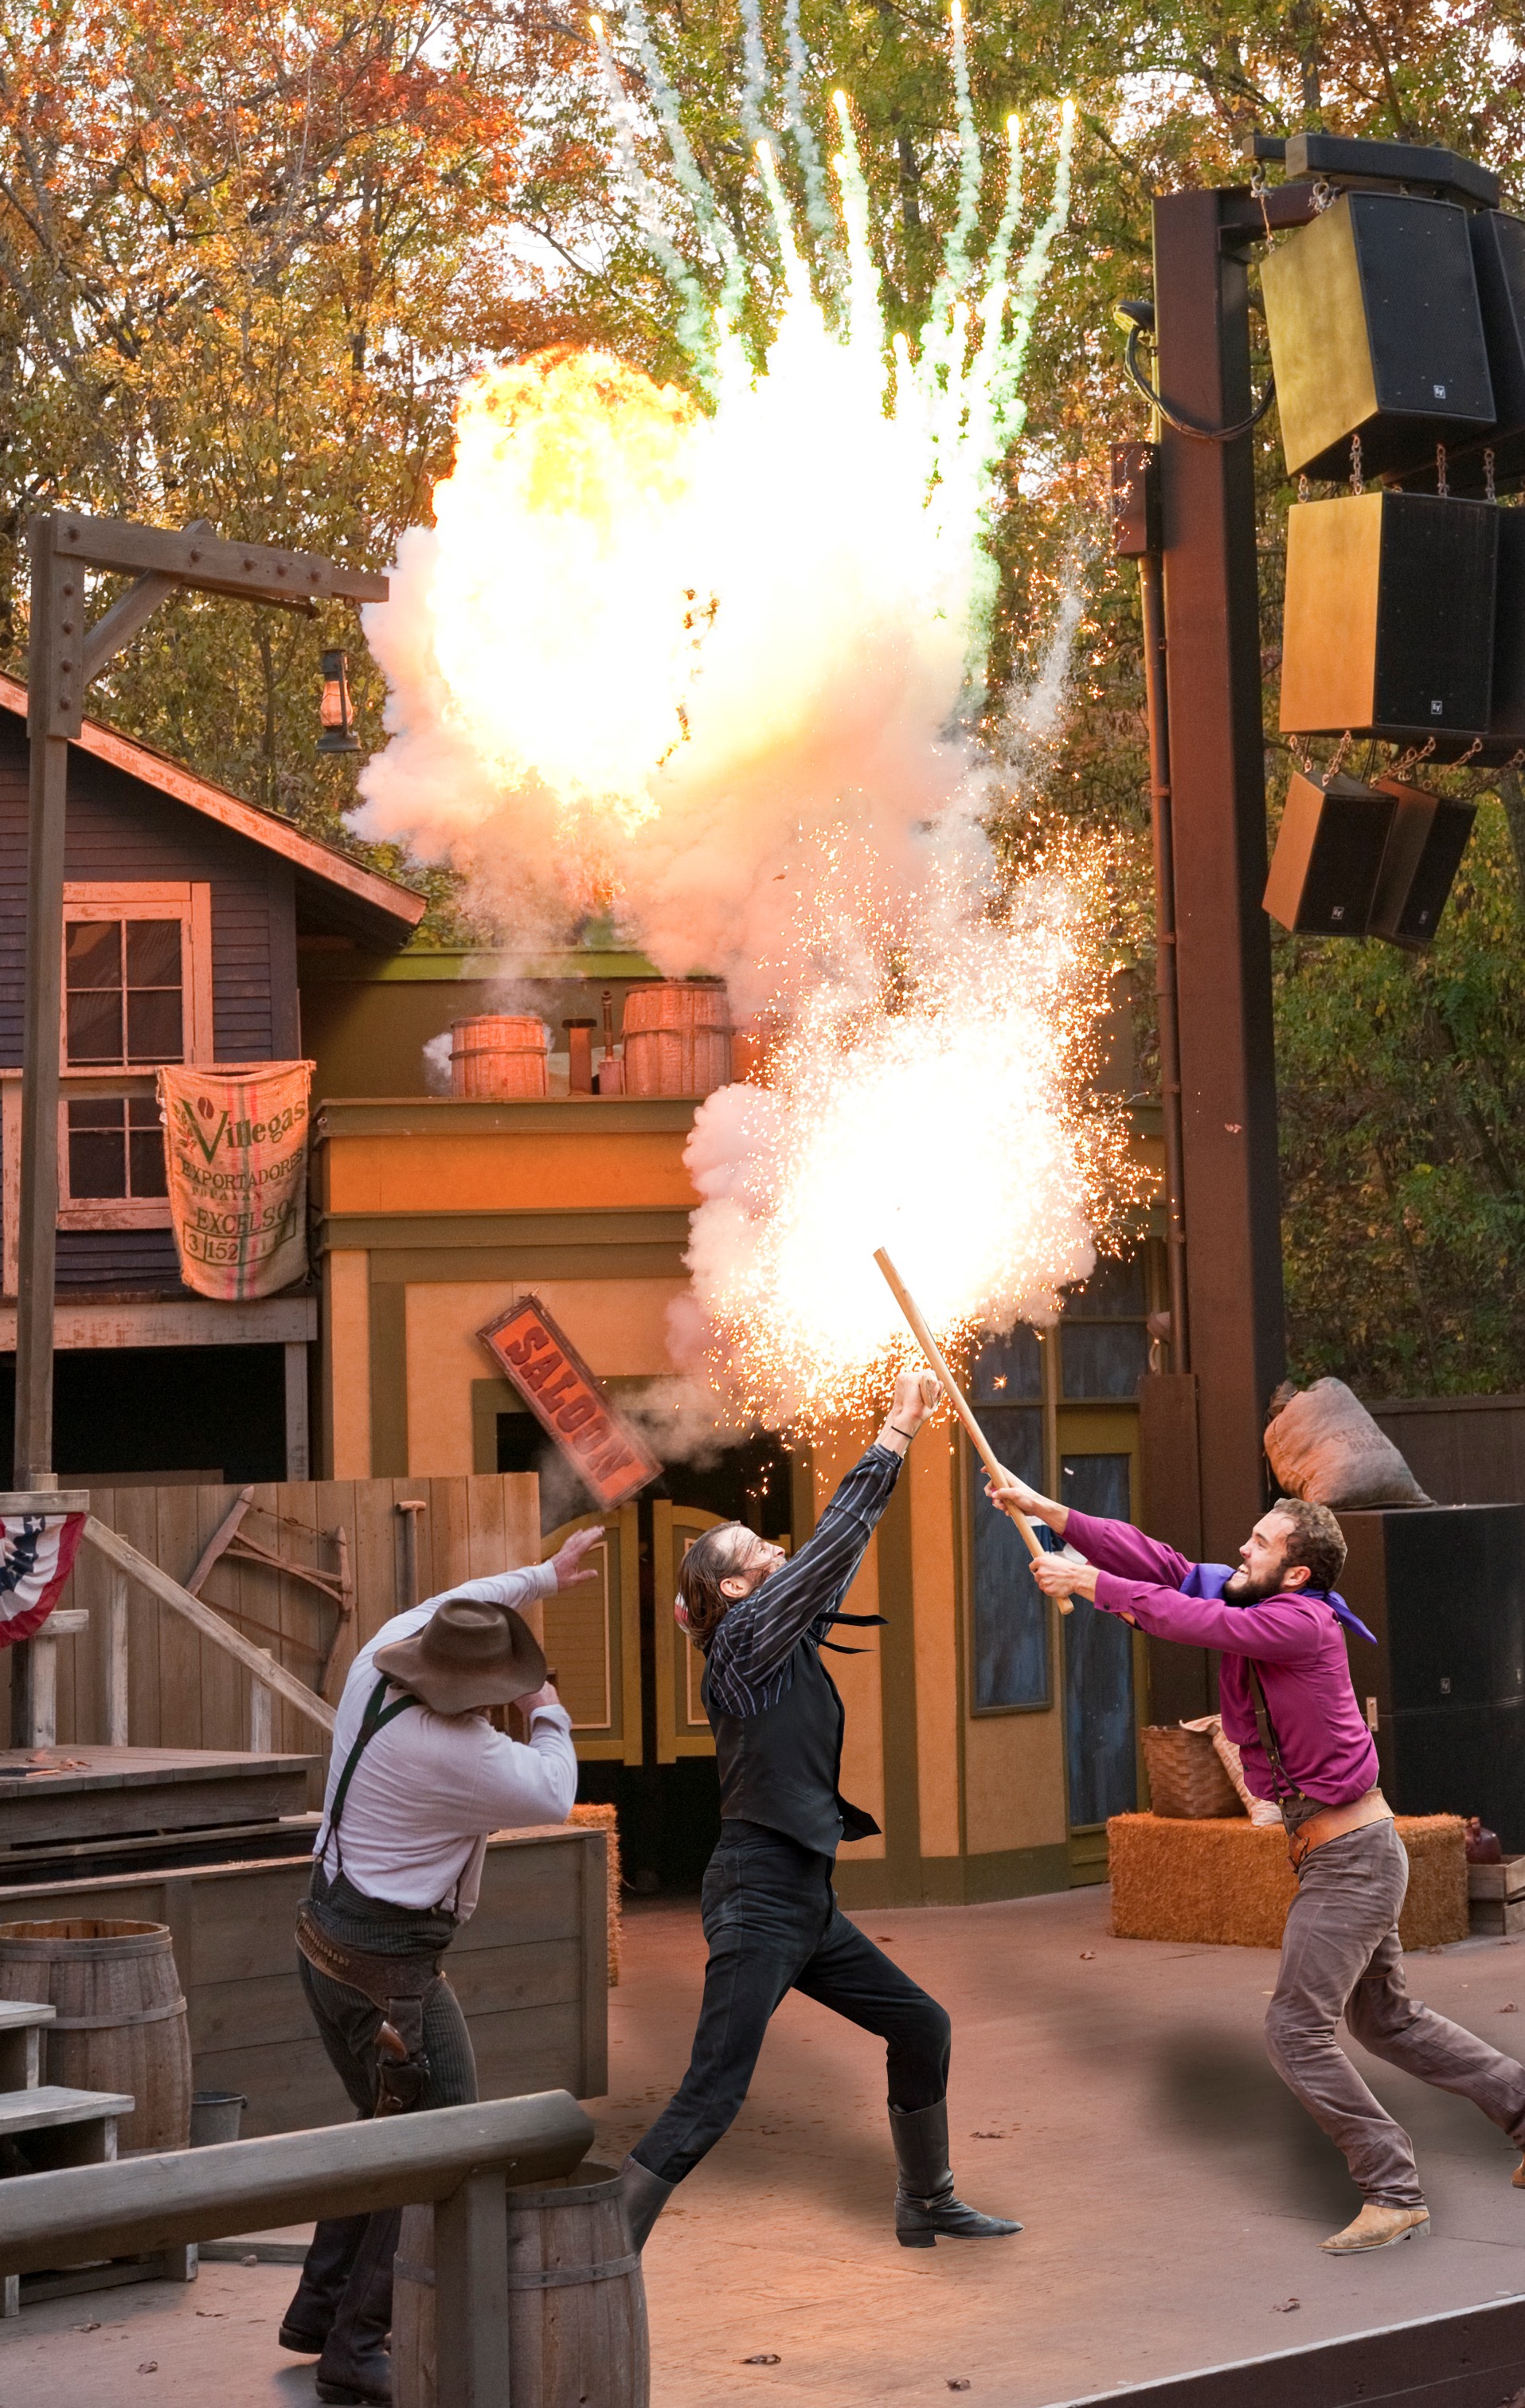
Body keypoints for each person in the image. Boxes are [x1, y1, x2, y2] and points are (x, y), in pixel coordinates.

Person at [992, 1470, 1525, 2255]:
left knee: (1292, 2028)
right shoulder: (1254, 1594)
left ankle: (1391, 2186)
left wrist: (1088, 1582)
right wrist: (1051, 1511)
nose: (1242, 1547)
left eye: (1260, 1541)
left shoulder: (1300, 1623)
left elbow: (1184, 1615)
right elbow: (1163, 1565)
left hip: (1351, 1858)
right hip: (1340, 1852)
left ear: (1297, 1569)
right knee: (1383, 2017)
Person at [619, 1372, 1020, 2254]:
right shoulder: (742, 1641)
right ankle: (598, 2241)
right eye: (757, 1549)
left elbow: (825, 1566)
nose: (775, 1551)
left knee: (921, 2022)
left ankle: (925, 2198)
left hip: (801, 1897)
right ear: (730, 1592)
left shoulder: (773, 1634)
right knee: (714, 2088)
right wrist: (893, 1432)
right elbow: (835, 1546)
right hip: (757, 1894)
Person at [280, 1529, 600, 2404]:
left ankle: (317, 2312)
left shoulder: (379, 1659)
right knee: (442, 2134)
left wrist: (544, 1575)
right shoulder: (455, 1750)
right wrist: (546, 1703)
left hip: (325, 1936)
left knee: (378, 2126)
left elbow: (464, 1593)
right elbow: (552, 1790)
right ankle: (360, 2342)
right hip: (387, 1969)